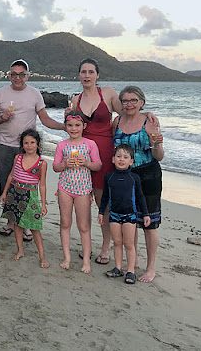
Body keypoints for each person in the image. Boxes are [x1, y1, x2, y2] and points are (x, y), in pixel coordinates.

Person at [68, 58, 157, 265]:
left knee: (103, 203)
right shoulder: (75, 99)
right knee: (82, 202)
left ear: (97, 75)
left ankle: (105, 248)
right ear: (79, 75)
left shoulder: (107, 93)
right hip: (81, 155)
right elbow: (71, 127)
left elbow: (127, 111)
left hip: (105, 154)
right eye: (83, 72)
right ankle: (87, 246)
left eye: (91, 72)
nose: (87, 76)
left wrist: (146, 113)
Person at [0, 59, 64, 240]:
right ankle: (10, 221)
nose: (17, 78)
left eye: (21, 74)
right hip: (5, 145)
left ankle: (25, 224)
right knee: (5, 184)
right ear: (9, 75)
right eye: (14, 74)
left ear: (27, 76)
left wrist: (65, 127)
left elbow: (45, 120)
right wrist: (2, 117)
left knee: (27, 187)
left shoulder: (35, 94)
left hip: (28, 150)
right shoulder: (0, 93)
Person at [112, 85, 164, 283]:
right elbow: (114, 149)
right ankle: (132, 262)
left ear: (142, 102)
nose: (129, 104)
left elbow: (159, 156)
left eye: (134, 100)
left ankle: (150, 268)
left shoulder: (149, 122)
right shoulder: (117, 121)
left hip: (148, 175)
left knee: (149, 224)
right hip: (125, 177)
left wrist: (158, 144)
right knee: (129, 222)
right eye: (125, 100)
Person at [53, 110, 102, 273]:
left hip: (83, 188)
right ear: (65, 127)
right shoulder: (62, 145)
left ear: (84, 126)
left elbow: (98, 165)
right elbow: (55, 167)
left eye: (77, 125)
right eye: (70, 125)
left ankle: (86, 260)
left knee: (84, 226)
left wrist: (86, 163)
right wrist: (65, 164)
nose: (73, 129)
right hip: (65, 188)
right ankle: (66, 257)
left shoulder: (90, 144)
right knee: (65, 223)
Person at [97, 144, 150, 285]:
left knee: (128, 243)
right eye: (119, 156)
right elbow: (105, 197)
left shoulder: (134, 178)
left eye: (125, 157)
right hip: (114, 215)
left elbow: (140, 197)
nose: (122, 159)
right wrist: (101, 212)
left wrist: (145, 214)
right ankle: (118, 267)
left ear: (131, 161)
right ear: (113, 159)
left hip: (130, 216)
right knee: (117, 242)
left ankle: (131, 270)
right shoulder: (109, 177)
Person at [0, 129, 49, 268]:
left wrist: (43, 204)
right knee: (17, 223)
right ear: (22, 144)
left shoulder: (42, 163)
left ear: (37, 144)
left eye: (32, 142)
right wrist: (4, 193)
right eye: (26, 143)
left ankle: (42, 256)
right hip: (14, 192)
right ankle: (20, 250)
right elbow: (11, 176)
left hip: (30, 195)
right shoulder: (18, 158)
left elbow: (43, 185)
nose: (29, 145)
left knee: (34, 227)